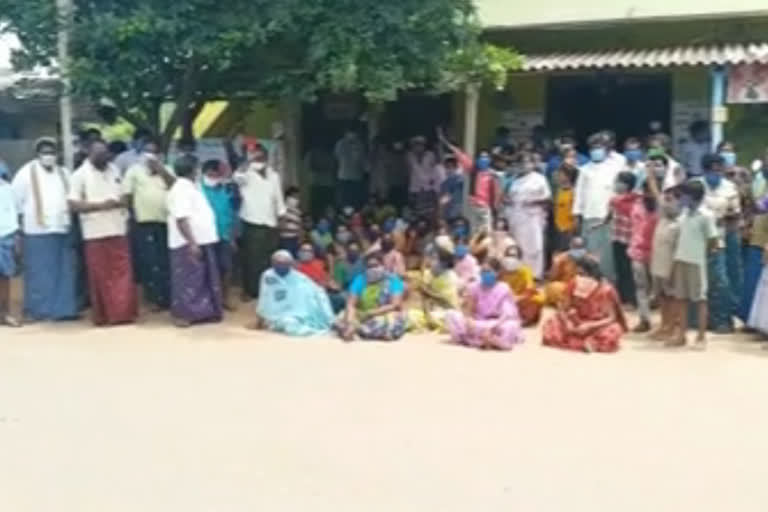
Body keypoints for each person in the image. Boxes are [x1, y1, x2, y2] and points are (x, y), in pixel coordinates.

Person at [68, 140, 138, 326]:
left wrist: (122, 201)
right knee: (100, 277)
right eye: (99, 156)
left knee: (123, 274)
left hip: (118, 228)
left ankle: (123, 314)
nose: (104, 159)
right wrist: (100, 206)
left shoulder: (114, 169)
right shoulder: (79, 175)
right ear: (90, 155)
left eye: (105, 155)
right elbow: (73, 204)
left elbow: (123, 193)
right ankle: (104, 316)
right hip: (95, 232)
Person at [11, 138, 78, 321]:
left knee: (64, 272)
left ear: (57, 154)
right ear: (38, 154)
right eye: (45, 152)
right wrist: (18, 231)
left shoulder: (64, 173)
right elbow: (16, 203)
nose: (49, 156)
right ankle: (40, 311)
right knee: (40, 273)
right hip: (36, 231)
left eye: (52, 152)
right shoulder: (25, 174)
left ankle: (63, 310)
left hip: (62, 228)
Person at [166, 155, 223, 327]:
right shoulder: (180, 189)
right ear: (192, 170)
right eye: (197, 168)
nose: (199, 172)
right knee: (188, 280)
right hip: (187, 242)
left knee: (202, 278)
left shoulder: (192, 187)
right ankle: (185, 315)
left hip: (203, 240)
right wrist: (192, 242)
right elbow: (181, 218)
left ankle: (204, 312)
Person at [122, 137, 175, 311]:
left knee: (164, 260)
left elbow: (175, 186)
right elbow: (127, 196)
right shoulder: (134, 171)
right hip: (144, 223)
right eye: (147, 151)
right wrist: (131, 217)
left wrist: (160, 170)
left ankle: (166, 298)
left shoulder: (167, 169)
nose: (150, 155)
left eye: (154, 152)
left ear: (160, 155)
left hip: (165, 222)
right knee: (149, 261)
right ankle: (152, 298)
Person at [668, 179, 718, 349]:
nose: (681, 199)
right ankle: (681, 334)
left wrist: (705, 252)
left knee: (700, 299)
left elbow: (713, 240)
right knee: (680, 297)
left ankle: (701, 337)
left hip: (697, 261)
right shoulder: (684, 215)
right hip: (681, 259)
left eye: (683, 195)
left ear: (692, 196)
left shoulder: (706, 216)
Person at [542, 256, 627, 353]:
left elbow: (611, 317)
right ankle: (581, 342)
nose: (580, 277)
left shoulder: (606, 289)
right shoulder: (573, 284)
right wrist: (568, 323)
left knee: (614, 330)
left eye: (583, 274)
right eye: (578, 274)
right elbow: (563, 308)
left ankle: (592, 343)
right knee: (552, 323)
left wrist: (589, 326)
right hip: (574, 322)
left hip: (596, 325)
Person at [234, 142, 285, 299]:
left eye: (262, 154)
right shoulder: (246, 174)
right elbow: (236, 177)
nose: (259, 157)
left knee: (267, 258)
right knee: (251, 258)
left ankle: (265, 290)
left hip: (270, 222)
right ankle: (249, 291)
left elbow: (278, 197)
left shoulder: (273, 175)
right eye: (256, 155)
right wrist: (249, 160)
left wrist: (281, 216)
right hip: (252, 221)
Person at [573, 132, 624, 283]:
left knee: (608, 254)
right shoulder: (584, 169)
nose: (596, 150)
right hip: (589, 215)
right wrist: (577, 215)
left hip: (609, 216)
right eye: (593, 147)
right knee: (591, 251)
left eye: (600, 147)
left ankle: (609, 283)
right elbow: (579, 194)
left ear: (607, 149)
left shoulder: (616, 167)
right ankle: (591, 281)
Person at [699, 154, 741, 332]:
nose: (715, 172)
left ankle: (724, 319)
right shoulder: (697, 185)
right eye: (711, 169)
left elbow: (735, 215)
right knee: (702, 281)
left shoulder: (730, 188)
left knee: (722, 280)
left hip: (722, 239)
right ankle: (702, 319)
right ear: (705, 169)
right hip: (698, 239)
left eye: (718, 169)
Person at [445, 258, 524, 350]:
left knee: (510, 325)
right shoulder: (474, 286)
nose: (484, 274)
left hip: (496, 323)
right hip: (478, 322)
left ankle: (493, 340)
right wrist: (468, 320)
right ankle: (484, 340)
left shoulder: (503, 289)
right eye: (483, 271)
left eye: (488, 271)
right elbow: (469, 310)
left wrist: (493, 327)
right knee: (451, 315)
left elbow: (508, 314)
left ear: (497, 272)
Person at [255, 250, 335, 336]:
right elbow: (264, 296)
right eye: (278, 263)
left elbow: (318, 292)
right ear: (272, 263)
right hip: (274, 315)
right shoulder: (268, 276)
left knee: (290, 325)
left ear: (290, 264)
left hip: (297, 314)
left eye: (284, 263)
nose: (280, 265)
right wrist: (260, 316)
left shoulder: (300, 279)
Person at [336, 252, 407, 341]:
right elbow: (351, 304)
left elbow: (395, 305)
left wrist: (372, 313)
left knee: (390, 320)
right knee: (341, 318)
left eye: (375, 265)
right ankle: (353, 329)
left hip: (385, 312)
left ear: (382, 266)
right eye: (369, 267)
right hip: (363, 313)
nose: (372, 269)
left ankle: (366, 330)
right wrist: (350, 322)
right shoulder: (360, 280)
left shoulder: (393, 280)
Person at [503, 152, 552, 278]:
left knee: (534, 247)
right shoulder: (515, 180)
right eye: (521, 163)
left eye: (526, 162)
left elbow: (547, 199)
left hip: (533, 218)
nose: (524, 165)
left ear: (532, 164)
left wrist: (533, 202)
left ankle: (535, 274)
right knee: (518, 246)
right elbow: (507, 197)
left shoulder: (539, 179)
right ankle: (519, 274)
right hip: (516, 218)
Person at [648, 169, 683, 341]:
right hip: (658, 265)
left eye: (673, 197)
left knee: (673, 296)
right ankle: (664, 325)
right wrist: (650, 175)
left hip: (673, 266)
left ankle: (674, 327)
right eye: (667, 195)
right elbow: (655, 192)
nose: (668, 199)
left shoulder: (680, 223)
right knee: (661, 295)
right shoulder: (663, 216)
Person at [201, 159, 239, 311]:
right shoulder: (199, 190)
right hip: (204, 236)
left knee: (225, 267)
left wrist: (232, 237)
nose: (212, 178)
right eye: (209, 175)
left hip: (224, 235)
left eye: (215, 175)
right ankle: (209, 300)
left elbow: (232, 214)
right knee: (206, 269)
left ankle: (225, 298)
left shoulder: (227, 190)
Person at [628, 162, 661, 332]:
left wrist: (651, 177)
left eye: (650, 190)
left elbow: (658, 196)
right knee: (641, 287)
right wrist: (644, 175)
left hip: (658, 254)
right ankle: (644, 319)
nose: (647, 192)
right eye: (645, 189)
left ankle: (664, 322)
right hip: (638, 251)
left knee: (659, 290)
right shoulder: (636, 204)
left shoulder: (662, 206)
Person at [604, 171, 639, 305]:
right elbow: (609, 217)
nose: (616, 184)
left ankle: (631, 298)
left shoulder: (636, 201)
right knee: (619, 268)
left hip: (630, 239)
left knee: (629, 270)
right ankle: (622, 298)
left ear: (626, 185)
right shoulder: (613, 200)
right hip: (617, 237)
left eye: (619, 181)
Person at [408, 246, 461, 332]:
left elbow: (446, 302)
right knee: (411, 315)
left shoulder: (451, 277)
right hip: (432, 311)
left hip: (446, 312)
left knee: (447, 318)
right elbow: (424, 298)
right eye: (433, 259)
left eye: (436, 260)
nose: (433, 263)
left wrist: (427, 292)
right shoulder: (430, 275)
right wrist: (427, 313)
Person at [741, 155, 768, 321]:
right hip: (758, 239)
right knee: (756, 286)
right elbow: (758, 207)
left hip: (764, 242)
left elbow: (760, 207)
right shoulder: (762, 187)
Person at [499, 245, 544, 326]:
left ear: (519, 259)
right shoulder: (500, 270)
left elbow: (529, 288)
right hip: (503, 299)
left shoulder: (525, 270)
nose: (511, 259)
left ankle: (520, 319)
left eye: (514, 257)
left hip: (520, 300)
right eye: (509, 256)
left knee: (536, 300)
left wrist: (518, 298)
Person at [0, 164, 20, 326]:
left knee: (5, 277)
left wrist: (16, 238)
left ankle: (5, 314)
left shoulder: (9, 189)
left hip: (5, 236)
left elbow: (15, 214)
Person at [406, 135, 442, 222]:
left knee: (429, 212)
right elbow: (408, 170)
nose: (419, 147)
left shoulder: (430, 155)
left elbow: (436, 168)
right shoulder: (409, 156)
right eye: (416, 145)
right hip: (415, 188)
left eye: (421, 145)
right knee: (416, 212)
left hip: (428, 188)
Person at [544, 236, 585, 306]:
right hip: (565, 287)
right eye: (575, 246)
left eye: (579, 247)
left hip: (581, 289)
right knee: (553, 287)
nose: (577, 250)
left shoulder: (588, 259)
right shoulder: (561, 258)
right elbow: (552, 277)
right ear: (571, 246)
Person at [334, 129, 367, 208]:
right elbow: (337, 157)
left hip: (354, 178)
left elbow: (362, 161)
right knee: (344, 203)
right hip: (344, 178)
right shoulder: (341, 143)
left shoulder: (360, 144)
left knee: (354, 203)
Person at [552, 163, 577, 252]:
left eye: (561, 174)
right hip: (558, 228)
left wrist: (573, 229)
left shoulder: (574, 192)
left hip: (569, 230)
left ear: (568, 175)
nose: (558, 176)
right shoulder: (559, 191)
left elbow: (575, 212)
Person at [438, 154, 465, 222]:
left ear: (456, 167)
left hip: (459, 215)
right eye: (447, 167)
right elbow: (442, 201)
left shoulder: (461, 180)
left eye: (452, 167)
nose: (449, 169)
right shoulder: (443, 184)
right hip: (447, 216)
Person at [278, 186, 302, 255]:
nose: (296, 200)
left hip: (295, 239)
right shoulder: (283, 209)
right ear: (288, 197)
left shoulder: (297, 211)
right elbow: (280, 225)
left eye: (297, 197)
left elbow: (299, 225)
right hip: (286, 239)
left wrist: (300, 238)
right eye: (294, 197)